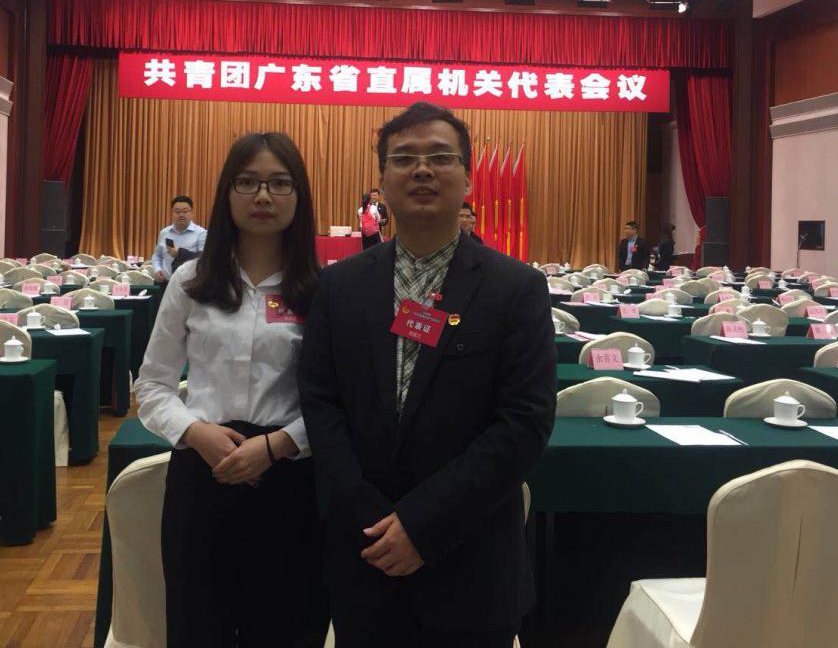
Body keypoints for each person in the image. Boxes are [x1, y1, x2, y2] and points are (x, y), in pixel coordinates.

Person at [298, 101, 557, 647]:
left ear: (468, 179)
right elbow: (320, 403)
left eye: (441, 157)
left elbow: (524, 423)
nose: (422, 170)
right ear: (381, 182)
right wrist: (369, 516)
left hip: (471, 567)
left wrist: (421, 524)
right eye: (404, 158)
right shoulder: (339, 286)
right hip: (364, 557)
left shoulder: (517, 289)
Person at [135, 133, 328, 648]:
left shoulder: (322, 289)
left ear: (299, 195)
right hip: (204, 475)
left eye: (279, 183)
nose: (263, 195)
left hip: (290, 480)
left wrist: (280, 444)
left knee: (287, 628)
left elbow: (338, 400)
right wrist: (194, 432)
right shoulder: (191, 281)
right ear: (227, 193)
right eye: (247, 182)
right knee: (199, 627)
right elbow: (152, 384)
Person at [151, 196, 207, 282]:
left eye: (185, 211)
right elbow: (157, 256)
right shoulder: (164, 233)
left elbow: (203, 260)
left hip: (189, 284)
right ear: (172, 213)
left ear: (192, 213)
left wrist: (179, 254)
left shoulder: (201, 233)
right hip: (166, 283)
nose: (181, 215)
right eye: (177, 211)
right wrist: (157, 269)